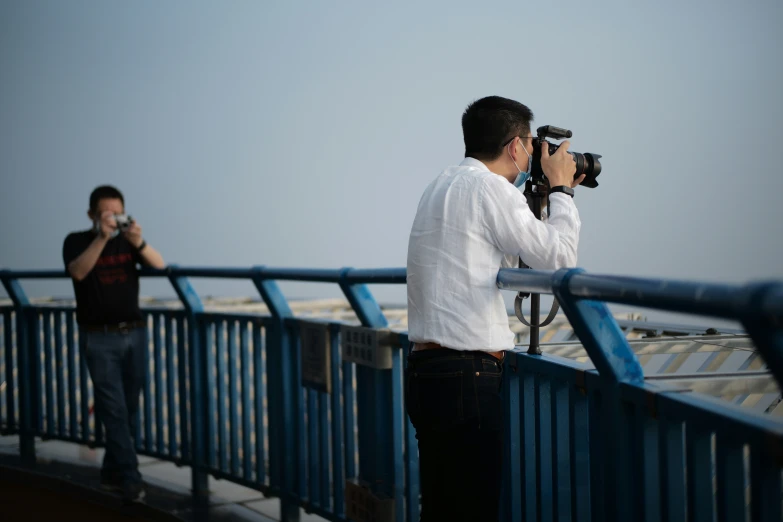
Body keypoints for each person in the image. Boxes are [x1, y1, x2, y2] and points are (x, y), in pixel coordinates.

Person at [405, 96, 585, 521]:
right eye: (529, 144)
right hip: (467, 375)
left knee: (442, 506)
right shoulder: (490, 189)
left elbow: (504, 253)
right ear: (515, 147)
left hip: (424, 370)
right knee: (473, 507)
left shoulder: (440, 185)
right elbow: (558, 259)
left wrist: (530, 196)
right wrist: (560, 190)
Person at [63, 185, 165, 502]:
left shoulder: (128, 241)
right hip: (99, 336)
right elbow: (78, 272)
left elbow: (159, 265)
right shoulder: (77, 241)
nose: (113, 218)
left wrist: (139, 241)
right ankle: (132, 478)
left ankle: (111, 473)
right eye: (107, 213)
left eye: (117, 212)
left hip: (134, 332)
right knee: (114, 410)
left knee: (129, 408)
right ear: (92, 214)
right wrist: (103, 237)